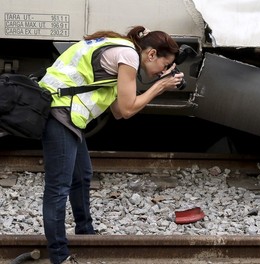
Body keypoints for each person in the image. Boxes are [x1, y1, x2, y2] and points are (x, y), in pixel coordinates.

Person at [38, 26, 184, 264]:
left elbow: (116, 110)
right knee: (58, 189)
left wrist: (156, 85)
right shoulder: (128, 56)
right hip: (59, 111)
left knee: (83, 175)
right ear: (151, 54)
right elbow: (127, 111)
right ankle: (59, 255)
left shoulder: (123, 52)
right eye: (165, 65)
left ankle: (86, 235)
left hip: (69, 114)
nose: (163, 71)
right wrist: (159, 87)